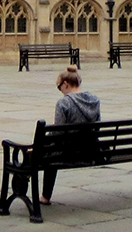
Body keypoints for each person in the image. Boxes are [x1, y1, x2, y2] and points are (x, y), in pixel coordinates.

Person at [40, 64, 101, 206]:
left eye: (59, 86)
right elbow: (97, 126)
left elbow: (58, 133)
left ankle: (45, 196)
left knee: (49, 152)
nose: (60, 90)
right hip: (91, 150)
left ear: (66, 84)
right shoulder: (94, 100)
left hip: (68, 152)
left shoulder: (64, 103)